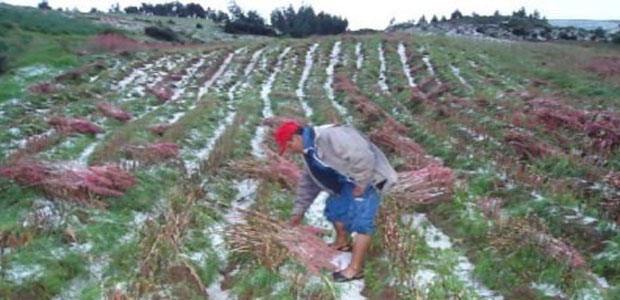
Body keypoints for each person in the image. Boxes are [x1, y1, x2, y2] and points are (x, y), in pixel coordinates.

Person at [273, 121, 398, 282]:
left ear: (296, 138)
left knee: (362, 223)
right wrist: (298, 213)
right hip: (346, 181)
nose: (290, 152)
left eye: (288, 147)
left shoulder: (332, 136)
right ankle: (342, 242)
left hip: (369, 178)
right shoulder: (308, 151)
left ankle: (355, 269)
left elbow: (364, 156)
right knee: (335, 210)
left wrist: (361, 184)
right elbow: (308, 183)